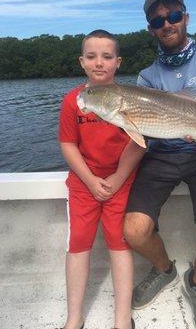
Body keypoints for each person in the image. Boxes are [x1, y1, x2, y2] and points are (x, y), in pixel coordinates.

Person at [124, 0, 196, 329]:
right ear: (151, 29)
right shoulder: (146, 77)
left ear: (185, 18)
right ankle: (164, 270)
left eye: (173, 16)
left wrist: (194, 127)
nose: (167, 24)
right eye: (158, 20)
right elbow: (145, 129)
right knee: (133, 230)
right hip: (161, 154)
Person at [58, 29, 144, 329]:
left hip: (121, 183)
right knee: (78, 245)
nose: (99, 63)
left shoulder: (130, 99)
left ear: (117, 62)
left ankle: (122, 320)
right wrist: (91, 181)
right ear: (82, 62)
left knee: (119, 246)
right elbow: (68, 144)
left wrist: (119, 178)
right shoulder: (73, 100)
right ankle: (74, 319)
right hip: (83, 185)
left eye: (107, 57)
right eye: (92, 56)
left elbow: (138, 143)